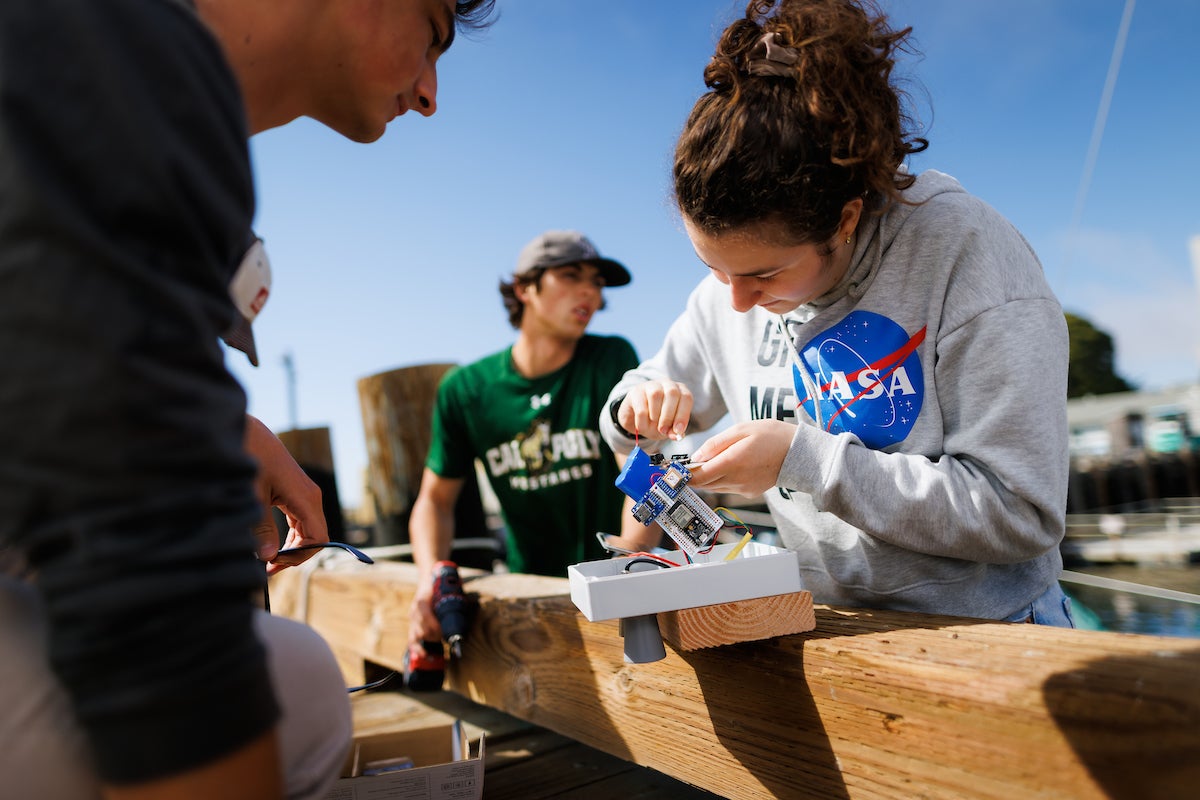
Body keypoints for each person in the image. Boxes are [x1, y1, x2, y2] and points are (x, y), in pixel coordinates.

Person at [0, 1, 496, 799]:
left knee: (291, 674)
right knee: (294, 688)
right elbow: (140, 566)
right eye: (433, 31)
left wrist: (210, 420)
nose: (432, 92)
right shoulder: (134, 62)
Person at [600, 0, 1076, 627]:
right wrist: (634, 408)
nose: (736, 300)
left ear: (846, 219)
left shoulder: (968, 255)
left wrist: (804, 461)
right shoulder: (727, 290)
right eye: (712, 268)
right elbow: (630, 410)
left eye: (764, 274)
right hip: (828, 633)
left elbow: (1021, 513)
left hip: (992, 641)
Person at [408, 230, 663, 646]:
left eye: (597, 283)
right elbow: (434, 501)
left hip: (611, 590)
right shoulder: (465, 390)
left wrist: (627, 568)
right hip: (529, 594)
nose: (590, 294)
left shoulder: (610, 358)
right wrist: (428, 581)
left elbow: (640, 477)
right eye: (571, 275)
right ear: (525, 287)